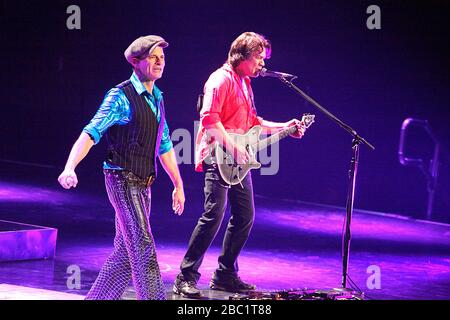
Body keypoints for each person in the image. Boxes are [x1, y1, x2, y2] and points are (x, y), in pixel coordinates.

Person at [173, 32, 305, 297]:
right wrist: (234, 148)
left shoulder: (245, 83)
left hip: (238, 159)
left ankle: (225, 275)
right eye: (258, 58)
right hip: (217, 156)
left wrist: (286, 127)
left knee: (245, 216)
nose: (262, 65)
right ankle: (185, 276)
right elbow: (209, 120)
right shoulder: (219, 80)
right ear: (241, 56)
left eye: (263, 59)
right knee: (214, 216)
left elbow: (254, 122)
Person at [58, 35, 185, 300]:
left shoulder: (158, 98)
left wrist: (178, 184)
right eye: (153, 57)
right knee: (143, 247)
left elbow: (164, 144)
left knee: (126, 254)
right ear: (136, 62)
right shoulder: (120, 95)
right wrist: (70, 166)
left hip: (144, 183)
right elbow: (92, 131)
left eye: (162, 57)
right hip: (121, 178)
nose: (160, 61)